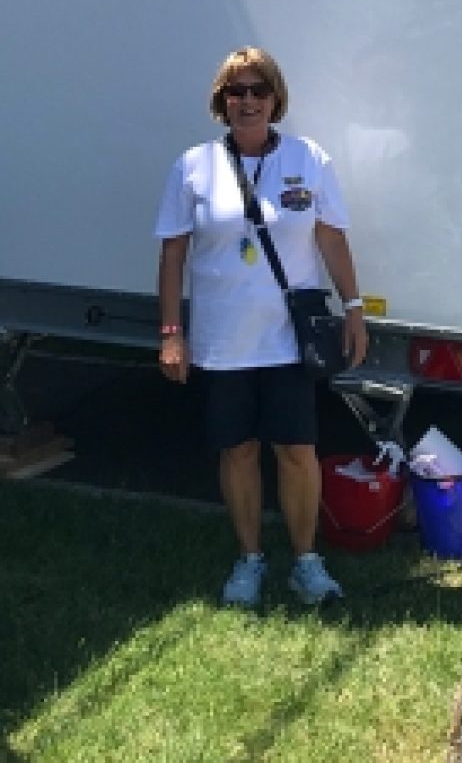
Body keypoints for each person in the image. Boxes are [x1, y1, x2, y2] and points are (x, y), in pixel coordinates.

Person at [155, 47, 370, 608]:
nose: (247, 101)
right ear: (221, 102)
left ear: (276, 99)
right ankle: (249, 560)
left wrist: (354, 307)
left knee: (298, 450)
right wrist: (171, 332)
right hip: (224, 342)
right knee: (239, 450)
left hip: (288, 340)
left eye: (258, 91)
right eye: (236, 92)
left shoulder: (309, 157)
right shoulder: (193, 165)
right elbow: (173, 253)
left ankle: (306, 562)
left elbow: (331, 237)